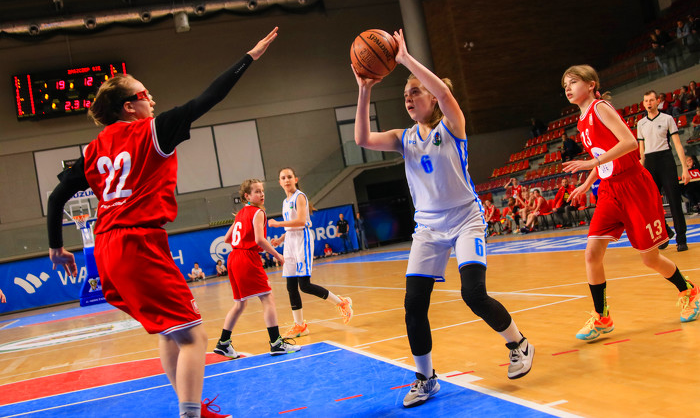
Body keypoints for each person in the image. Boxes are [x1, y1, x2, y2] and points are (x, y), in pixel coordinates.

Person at [46, 27, 279, 418]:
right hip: (137, 242)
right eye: (144, 94)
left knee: (170, 332)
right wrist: (249, 56)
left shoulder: (93, 149)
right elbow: (210, 96)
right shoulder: (152, 130)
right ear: (129, 107)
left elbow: (56, 198)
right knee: (194, 337)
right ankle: (191, 415)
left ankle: (192, 408)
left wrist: (56, 246)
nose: (151, 98)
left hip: (106, 247)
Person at [353, 29, 534, 409]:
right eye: (405, 95)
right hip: (429, 227)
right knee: (413, 304)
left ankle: (518, 343)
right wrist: (364, 88)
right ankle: (426, 378)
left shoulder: (451, 126)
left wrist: (405, 59)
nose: (408, 98)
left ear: (432, 98)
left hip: (466, 218)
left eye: (415, 92)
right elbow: (363, 139)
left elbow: (447, 96)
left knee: (473, 294)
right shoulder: (403, 138)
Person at [560, 64, 699, 343]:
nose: (568, 88)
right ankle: (602, 316)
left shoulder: (601, 108)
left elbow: (629, 143)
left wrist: (591, 163)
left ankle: (688, 290)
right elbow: (603, 154)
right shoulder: (581, 121)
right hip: (609, 190)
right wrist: (587, 182)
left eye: (573, 82)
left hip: (634, 185)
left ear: (591, 84)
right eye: (565, 85)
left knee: (650, 258)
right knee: (592, 254)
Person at [213, 179, 300, 360]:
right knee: (267, 298)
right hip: (246, 258)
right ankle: (276, 343)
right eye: (257, 191)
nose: (261, 194)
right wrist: (278, 255)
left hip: (233, 258)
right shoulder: (258, 212)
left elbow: (228, 239)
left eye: (262, 191)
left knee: (240, 304)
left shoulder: (240, 214)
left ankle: (223, 343)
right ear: (247, 196)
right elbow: (260, 240)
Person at [269, 167, 353, 338]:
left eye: (289, 177)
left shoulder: (300, 196)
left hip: (302, 240)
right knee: (291, 286)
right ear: (279, 182)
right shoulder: (285, 201)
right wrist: (281, 239)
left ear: (295, 179)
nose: (286, 180)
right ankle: (300, 326)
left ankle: (342, 302)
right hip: (290, 240)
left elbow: (301, 221)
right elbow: (291, 226)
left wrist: (278, 224)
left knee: (304, 285)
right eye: (283, 178)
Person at [638, 90, 690, 252]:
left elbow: (678, 145)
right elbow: (641, 151)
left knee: (674, 201)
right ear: (643, 103)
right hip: (650, 163)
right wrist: (641, 170)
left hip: (666, 161)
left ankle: (681, 239)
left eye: (651, 100)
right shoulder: (640, 124)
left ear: (657, 101)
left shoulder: (667, 119)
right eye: (646, 101)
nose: (648, 103)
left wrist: (685, 168)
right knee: (651, 205)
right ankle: (665, 233)